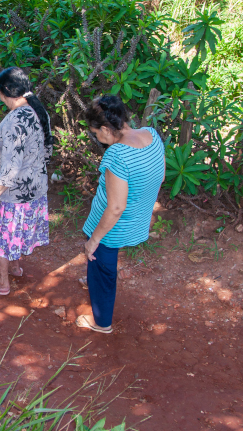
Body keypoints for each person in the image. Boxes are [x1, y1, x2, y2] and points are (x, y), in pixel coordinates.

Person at [78, 95, 165, 333]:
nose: (97, 138)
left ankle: (101, 322)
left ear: (106, 129)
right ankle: (99, 303)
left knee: (101, 266)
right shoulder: (151, 135)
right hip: (138, 219)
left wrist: (93, 240)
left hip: (112, 226)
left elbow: (116, 208)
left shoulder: (117, 155)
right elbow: (160, 177)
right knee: (103, 266)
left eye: (96, 133)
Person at [0, 67, 53, 295]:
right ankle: (14, 266)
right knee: (17, 231)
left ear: (6, 92)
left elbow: (11, 167)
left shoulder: (16, 120)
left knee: (1, 234)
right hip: (33, 188)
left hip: (11, 193)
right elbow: (46, 150)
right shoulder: (38, 109)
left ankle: (1, 282)